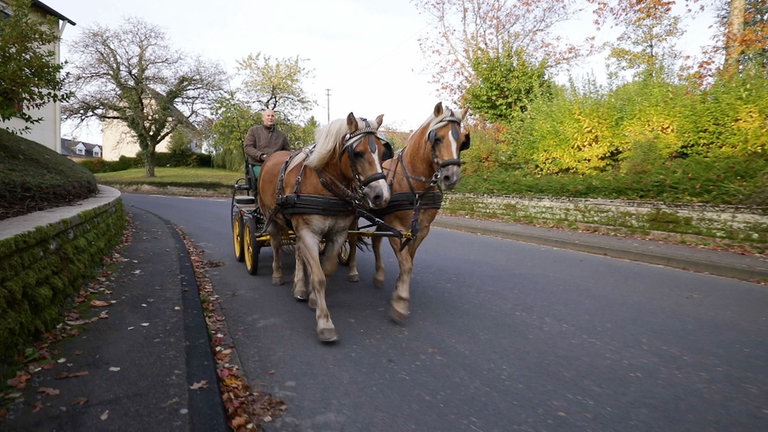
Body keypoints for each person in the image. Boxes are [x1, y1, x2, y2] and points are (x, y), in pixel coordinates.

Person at [243, 109, 291, 188]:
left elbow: (287, 151)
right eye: (268, 116)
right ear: (263, 118)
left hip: (278, 166)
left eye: (272, 116)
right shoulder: (254, 131)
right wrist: (262, 156)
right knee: (269, 177)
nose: (270, 118)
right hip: (258, 165)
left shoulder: (281, 135)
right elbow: (248, 147)